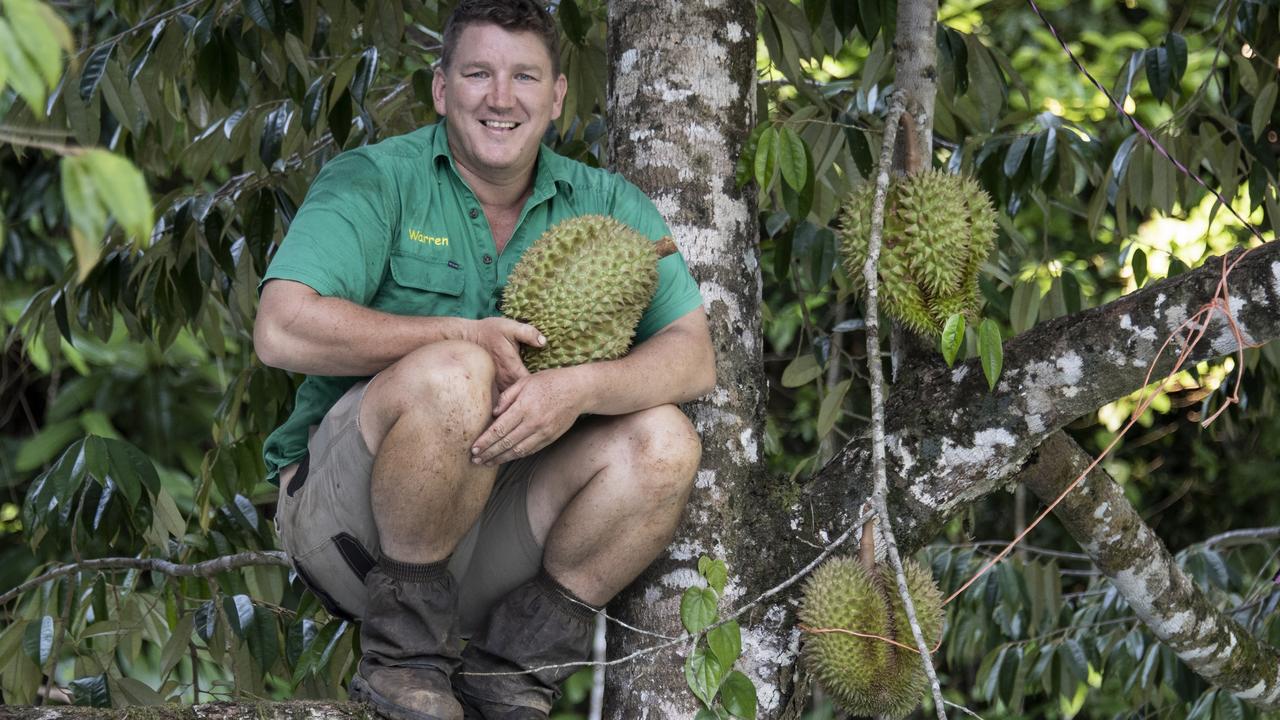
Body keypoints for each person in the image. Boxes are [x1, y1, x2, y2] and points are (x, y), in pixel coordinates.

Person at [252, 0, 717, 718]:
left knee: (666, 442)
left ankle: (511, 670)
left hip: (492, 538)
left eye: (525, 76)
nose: (501, 98)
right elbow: (279, 331)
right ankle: (403, 661)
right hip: (349, 529)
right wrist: (458, 334)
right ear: (442, 89)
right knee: (457, 371)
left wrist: (579, 388)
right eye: (478, 73)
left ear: (557, 96)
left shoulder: (605, 205)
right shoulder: (377, 179)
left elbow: (693, 361)